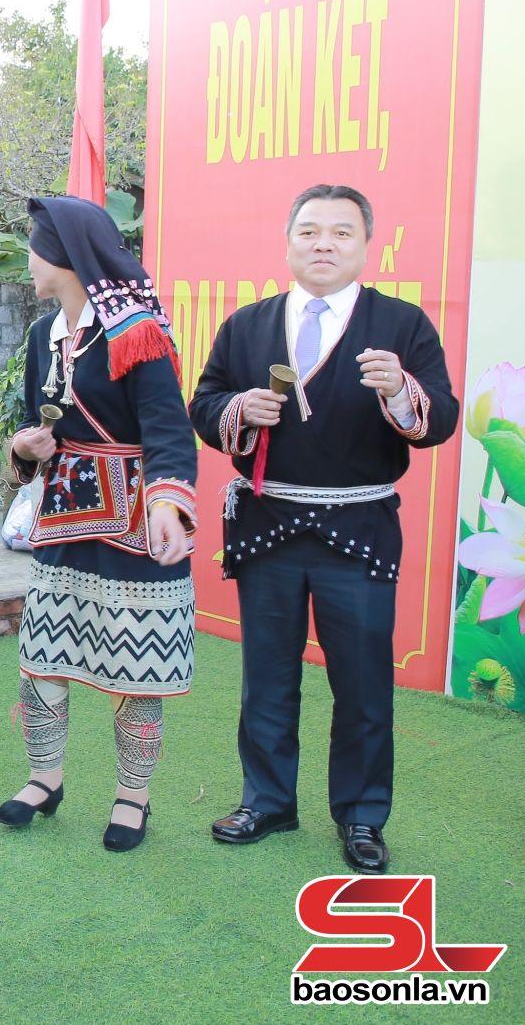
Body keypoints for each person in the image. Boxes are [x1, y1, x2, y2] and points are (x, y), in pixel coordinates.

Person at [189, 184, 458, 874]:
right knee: (267, 678)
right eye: (309, 231)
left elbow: (443, 416)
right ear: (288, 242)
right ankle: (267, 801)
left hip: (359, 528)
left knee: (363, 685)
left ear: (366, 246)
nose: (323, 245)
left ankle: (362, 816)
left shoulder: (401, 325)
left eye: (341, 233)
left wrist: (400, 390)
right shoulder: (247, 324)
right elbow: (205, 401)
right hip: (268, 525)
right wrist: (239, 409)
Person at [1, 196, 197, 853]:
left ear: (65, 255)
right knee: (42, 655)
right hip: (63, 517)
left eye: (35, 248)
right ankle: (45, 778)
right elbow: (32, 422)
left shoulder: (136, 332)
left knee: (136, 663)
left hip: (134, 522)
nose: (29, 262)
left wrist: (168, 503)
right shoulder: (42, 336)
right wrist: (25, 447)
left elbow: (169, 430)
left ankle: (132, 796)